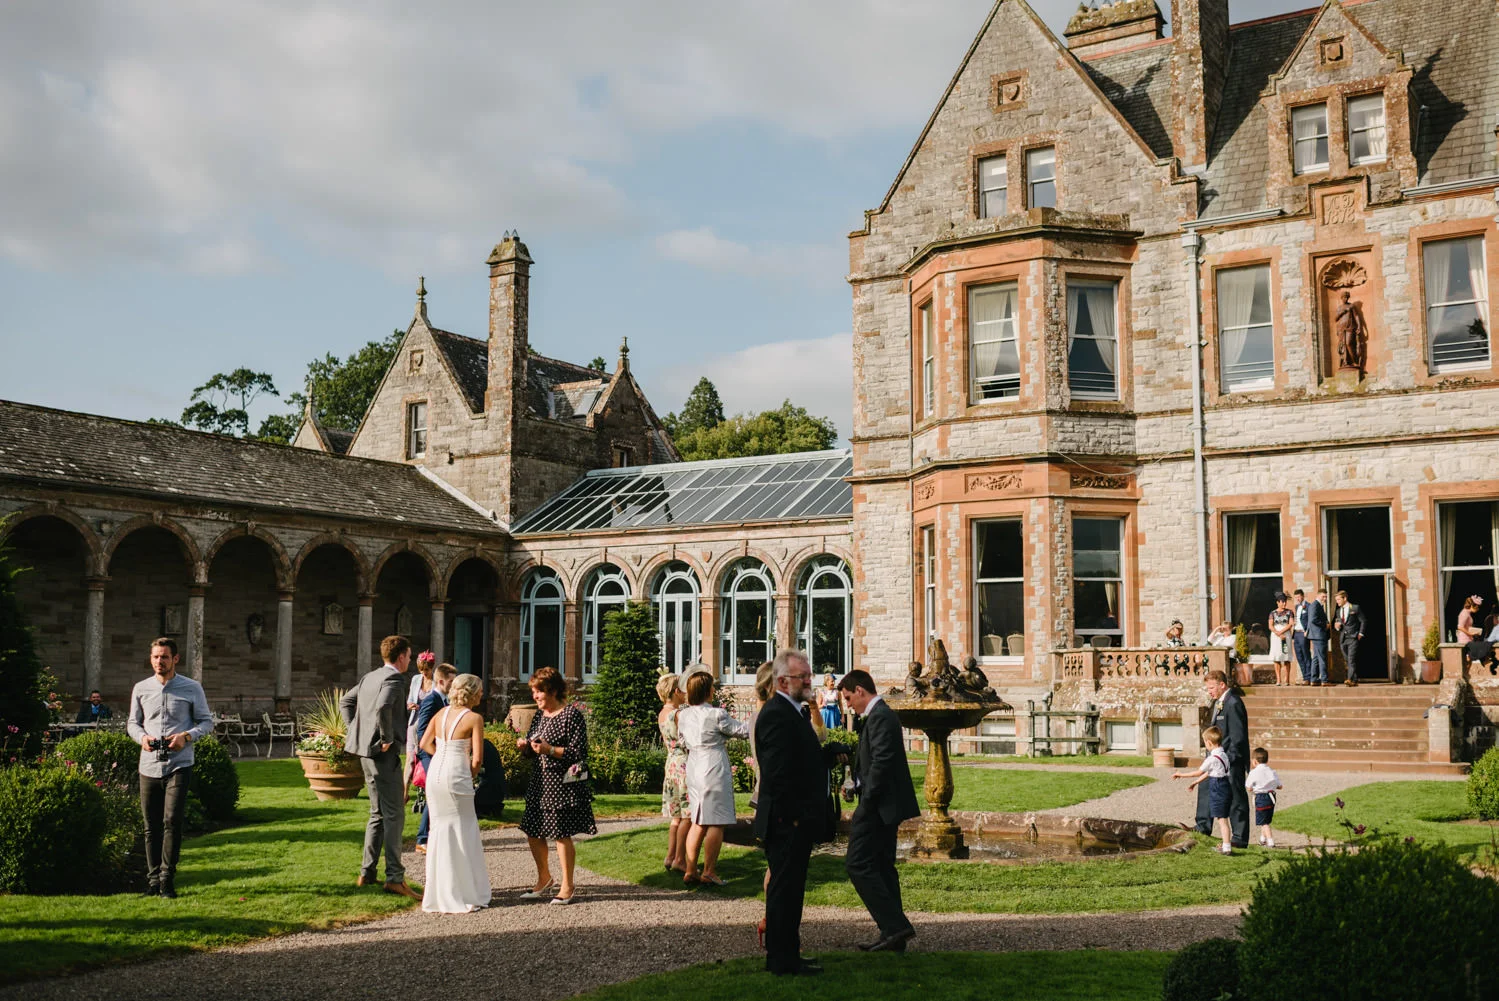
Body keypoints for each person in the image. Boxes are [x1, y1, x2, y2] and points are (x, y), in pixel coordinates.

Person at [753, 649, 844, 977]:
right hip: (786, 819)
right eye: (802, 676)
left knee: (791, 891)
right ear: (781, 681)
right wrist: (793, 817)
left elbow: (799, 759)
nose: (810, 680)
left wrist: (826, 756)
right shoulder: (778, 713)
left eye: (809, 675)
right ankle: (781, 958)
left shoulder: (794, 711)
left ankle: (787, 953)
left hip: (794, 818)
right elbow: (778, 772)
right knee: (784, 891)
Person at [836, 669, 920, 953]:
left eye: (848, 697)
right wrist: (854, 783)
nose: (848, 704)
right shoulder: (878, 716)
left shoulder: (881, 716)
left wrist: (866, 803)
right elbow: (873, 762)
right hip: (881, 805)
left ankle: (895, 926)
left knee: (857, 864)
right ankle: (892, 935)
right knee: (883, 867)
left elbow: (882, 764)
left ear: (860, 690)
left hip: (878, 806)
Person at [126, 637, 214, 898]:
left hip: (179, 763)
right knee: (150, 825)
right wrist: (142, 738)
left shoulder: (191, 688)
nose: (159, 661)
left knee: (172, 820)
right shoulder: (141, 688)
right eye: (155, 657)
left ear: (175, 659)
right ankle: (152, 881)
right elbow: (133, 723)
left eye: (164, 657)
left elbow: (206, 722)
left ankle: (167, 879)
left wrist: (185, 737)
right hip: (148, 765)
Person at [340, 635, 420, 899]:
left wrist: (357, 732)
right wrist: (385, 738)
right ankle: (395, 878)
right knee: (395, 814)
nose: (410, 660)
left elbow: (345, 702)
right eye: (409, 656)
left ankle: (367, 873)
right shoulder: (395, 679)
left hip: (366, 754)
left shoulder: (370, 676)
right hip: (383, 756)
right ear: (400, 657)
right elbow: (384, 706)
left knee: (377, 813)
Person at [515, 666, 595, 905]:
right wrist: (526, 747)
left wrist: (549, 749)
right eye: (534, 692)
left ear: (551, 690)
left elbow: (578, 753)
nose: (535, 697)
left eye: (538, 692)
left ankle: (567, 885)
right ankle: (544, 878)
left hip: (562, 784)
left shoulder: (571, 715)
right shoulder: (540, 716)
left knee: (561, 834)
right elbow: (535, 747)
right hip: (540, 783)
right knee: (532, 831)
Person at [419, 673, 491, 913]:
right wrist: (467, 773)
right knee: (463, 829)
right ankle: (465, 891)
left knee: (439, 829)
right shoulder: (474, 718)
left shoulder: (441, 714)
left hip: (436, 773)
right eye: (480, 690)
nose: (482, 694)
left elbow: (424, 744)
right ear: (471, 693)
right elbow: (478, 758)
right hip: (456, 774)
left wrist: (441, 754)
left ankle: (439, 893)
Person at [679, 669, 751, 886]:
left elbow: (682, 741)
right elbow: (741, 730)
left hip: (693, 764)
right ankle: (709, 870)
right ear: (708, 691)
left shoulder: (683, 715)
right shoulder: (716, 714)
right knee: (716, 822)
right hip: (712, 766)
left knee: (698, 820)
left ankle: (690, 869)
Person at [1194, 670, 1249, 849]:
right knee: (1205, 788)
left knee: (1235, 797)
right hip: (1216, 759)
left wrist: (1229, 759)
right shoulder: (1219, 702)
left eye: (1211, 687)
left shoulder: (1233, 703)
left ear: (1222, 685)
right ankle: (1202, 826)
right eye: (1208, 688)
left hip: (1230, 761)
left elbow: (1238, 736)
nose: (1209, 691)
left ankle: (1239, 837)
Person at [413, 663, 458, 854]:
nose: (454, 685)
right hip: (429, 753)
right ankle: (422, 838)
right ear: (441, 681)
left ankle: (433, 835)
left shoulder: (445, 701)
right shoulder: (432, 700)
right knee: (435, 793)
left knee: (439, 793)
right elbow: (421, 730)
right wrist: (435, 753)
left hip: (438, 752)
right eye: (451, 681)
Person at [1173, 726, 1233, 855]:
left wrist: (1181, 774)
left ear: (1209, 743)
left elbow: (1198, 772)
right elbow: (1210, 773)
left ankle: (1226, 847)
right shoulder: (1223, 755)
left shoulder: (1211, 759)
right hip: (1225, 786)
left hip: (1217, 788)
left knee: (1222, 820)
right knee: (1223, 819)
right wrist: (1196, 782)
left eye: (1205, 742)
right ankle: (1225, 844)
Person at [656, 673, 690, 872]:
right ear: (676, 692)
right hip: (683, 763)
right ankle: (680, 858)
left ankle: (670, 856)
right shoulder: (678, 714)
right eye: (683, 689)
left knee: (675, 816)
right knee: (687, 814)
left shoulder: (663, 712)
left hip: (671, 764)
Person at [404, 651, 437, 792]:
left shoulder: (437, 681)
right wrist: (411, 704)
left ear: (432, 668)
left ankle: (429, 789)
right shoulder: (416, 679)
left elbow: (438, 703)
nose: (424, 673)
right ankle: (404, 790)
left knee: (428, 758)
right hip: (414, 721)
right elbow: (409, 699)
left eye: (427, 670)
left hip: (430, 724)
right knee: (410, 758)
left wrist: (423, 706)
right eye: (421, 670)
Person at [1245, 747, 1283, 848]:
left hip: (1260, 798)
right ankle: (1262, 839)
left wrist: (1255, 788)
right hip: (1271, 798)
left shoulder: (1253, 773)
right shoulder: (1272, 771)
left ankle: (1270, 841)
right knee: (1266, 819)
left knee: (1264, 822)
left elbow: (1248, 787)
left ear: (1255, 761)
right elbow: (1280, 786)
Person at [1333, 590, 1366, 687]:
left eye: (1338, 599)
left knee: (1351, 659)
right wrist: (1336, 626)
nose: (1337, 602)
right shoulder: (1338, 611)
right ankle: (1355, 679)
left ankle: (1349, 679)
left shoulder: (1355, 608)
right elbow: (1338, 623)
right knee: (1347, 659)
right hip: (1343, 638)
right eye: (1336, 600)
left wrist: (1360, 633)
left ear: (1345, 598)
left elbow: (1363, 621)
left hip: (1353, 637)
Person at [1306, 589, 1331, 686]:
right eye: (1323, 596)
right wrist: (1325, 625)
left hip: (1317, 635)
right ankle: (1324, 680)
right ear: (1318, 595)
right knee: (1322, 658)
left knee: (1316, 658)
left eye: (1325, 596)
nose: (1324, 598)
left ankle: (1314, 679)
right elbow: (1313, 620)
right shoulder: (1315, 605)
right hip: (1318, 635)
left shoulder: (1318, 605)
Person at [1269, 593, 1293, 686]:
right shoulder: (1272, 613)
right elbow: (1270, 625)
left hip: (1285, 635)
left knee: (1286, 656)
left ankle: (1287, 679)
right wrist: (1277, 633)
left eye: (1285, 602)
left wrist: (1282, 632)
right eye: (1282, 602)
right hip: (1275, 636)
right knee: (1277, 657)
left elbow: (1290, 624)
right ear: (1277, 602)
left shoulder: (1289, 612)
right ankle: (1278, 680)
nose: (1284, 604)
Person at [1291, 589, 1313, 685]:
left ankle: (1309, 677)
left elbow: (1310, 620)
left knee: (1306, 655)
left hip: (1303, 633)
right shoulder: (1296, 607)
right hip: (1296, 633)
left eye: (1299, 597)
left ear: (1303, 596)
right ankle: (1305, 677)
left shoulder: (1308, 606)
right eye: (1296, 597)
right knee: (1299, 656)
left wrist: (1307, 631)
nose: (1297, 599)